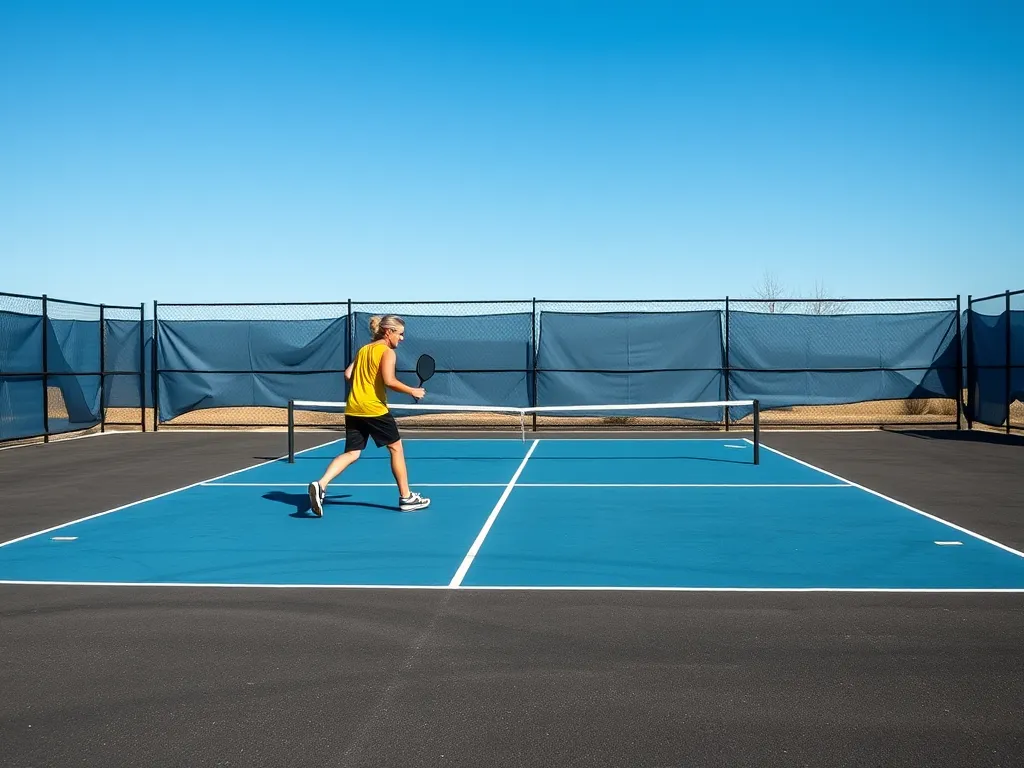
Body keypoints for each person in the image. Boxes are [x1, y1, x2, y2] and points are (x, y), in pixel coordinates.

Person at [307, 314, 430, 517]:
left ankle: (321, 484)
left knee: (352, 453)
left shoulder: (364, 350)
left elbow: (348, 374)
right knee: (396, 448)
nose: (402, 338)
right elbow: (389, 381)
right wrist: (412, 391)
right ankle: (406, 498)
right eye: (400, 334)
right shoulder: (387, 352)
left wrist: (361, 388)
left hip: (354, 408)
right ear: (388, 332)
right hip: (374, 409)